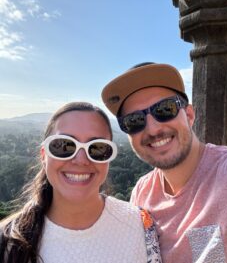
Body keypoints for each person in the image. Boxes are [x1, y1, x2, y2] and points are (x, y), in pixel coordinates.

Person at [101, 62, 227, 263]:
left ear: (189, 115)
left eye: (165, 109)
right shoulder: (142, 193)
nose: (152, 129)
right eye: (134, 121)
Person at [0, 101, 162, 263]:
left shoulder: (141, 226)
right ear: (44, 155)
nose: (81, 160)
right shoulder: (8, 242)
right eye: (64, 146)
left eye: (97, 148)